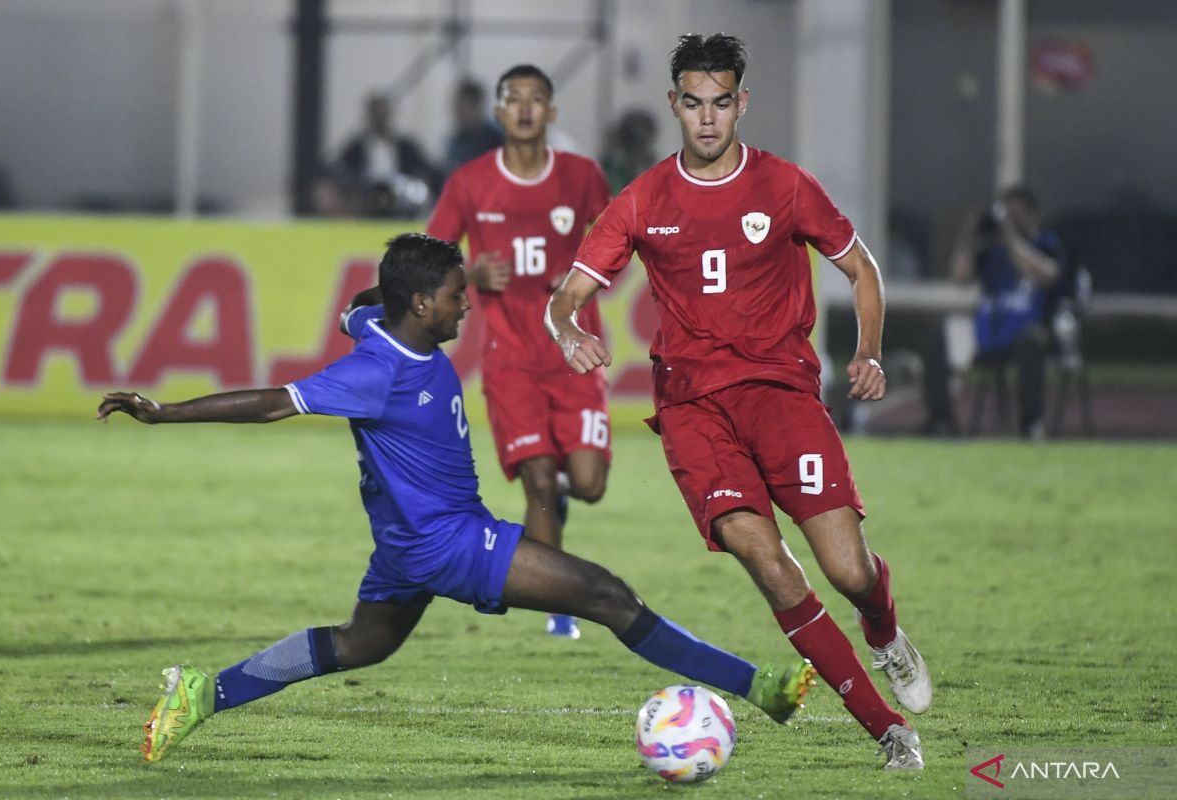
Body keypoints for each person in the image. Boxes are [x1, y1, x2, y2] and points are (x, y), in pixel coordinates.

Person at [97, 233, 814, 765]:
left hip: (407, 545)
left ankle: (203, 693)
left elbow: (358, 304)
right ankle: (762, 688)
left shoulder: (374, 322)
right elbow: (272, 402)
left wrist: (383, 292)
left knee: (358, 645)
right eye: (452, 296)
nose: (464, 306)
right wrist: (164, 412)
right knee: (609, 597)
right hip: (450, 543)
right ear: (420, 305)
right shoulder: (376, 368)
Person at [545, 34, 931, 770]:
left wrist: (869, 349)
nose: (708, 118)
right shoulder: (644, 199)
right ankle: (889, 731)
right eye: (694, 103)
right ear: (674, 105)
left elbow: (862, 268)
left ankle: (883, 631)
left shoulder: (783, 185)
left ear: (741, 102)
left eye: (722, 102)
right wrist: (568, 332)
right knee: (766, 559)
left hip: (781, 394)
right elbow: (566, 300)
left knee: (848, 570)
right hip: (693, 407)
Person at [427, 65, 612, 640]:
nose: (526, 109)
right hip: (509, 359)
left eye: (537, 99)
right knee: (536, 479)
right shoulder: (471, 182)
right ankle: (558, 608)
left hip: (573, 352)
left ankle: (561, 495)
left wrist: (582, 275)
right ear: (499, 112)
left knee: (587, 484)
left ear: (552, 112)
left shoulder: (580, 176)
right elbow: (431, 256)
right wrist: (472, 272)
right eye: (514, 99)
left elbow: (617, 241)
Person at [949, 185, 1066, 439]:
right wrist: (969, 233)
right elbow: (960, 278)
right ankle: (942, 421)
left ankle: (1030, 425)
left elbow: (1047, 275)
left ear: (1033, 215)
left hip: (1031, 332)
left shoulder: (1046, 244)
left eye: (1017, 213)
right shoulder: (992, 253)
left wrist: (1010, 235)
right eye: (1007, 214)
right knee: (943, 335)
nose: (1011, 220)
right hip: (993, 331)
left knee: (1030, 342)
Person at [324, 92, 441, 217]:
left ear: (389, 116)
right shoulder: (356, 148)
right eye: (376, 115)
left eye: (383, 114)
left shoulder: (406, 146)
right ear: (369, 117)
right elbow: (340, 169)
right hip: (367, 199)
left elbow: (426, 168)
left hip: (400, 199)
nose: (380, 119)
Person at [442, 78, 504, 176]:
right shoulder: (456, 141)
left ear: (476, 107)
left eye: (462, 108)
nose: (458, 114)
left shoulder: (496, 138)